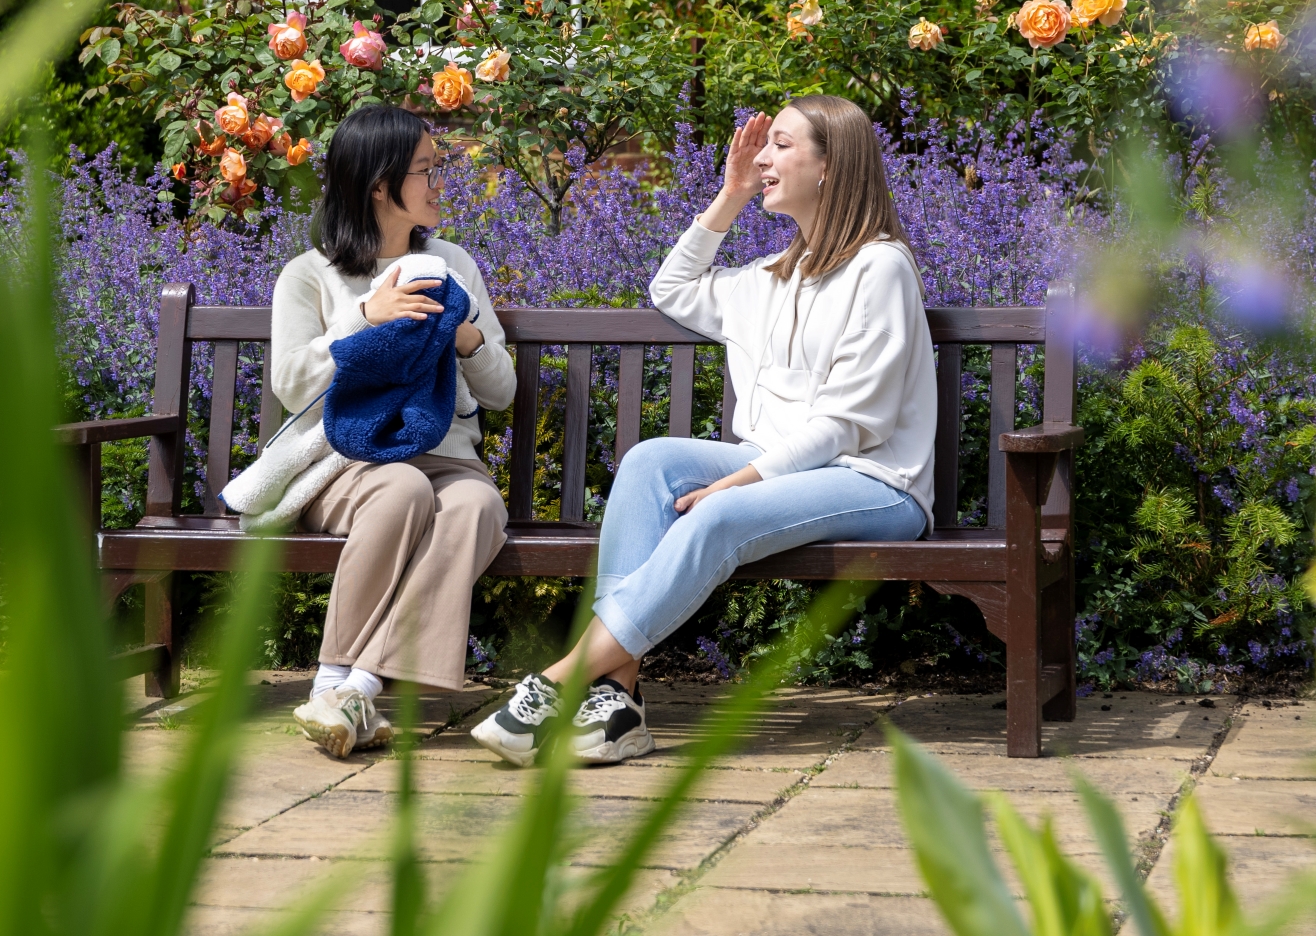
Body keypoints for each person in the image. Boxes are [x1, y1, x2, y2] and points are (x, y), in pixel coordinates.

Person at [471, 96, 934, 767]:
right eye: (764, 146)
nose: (763, 157)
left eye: (780, 145)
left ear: (831, 165)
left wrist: (740, 480)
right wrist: (731, 195)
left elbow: (849, 424)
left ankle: (555, 684)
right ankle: (617, 701)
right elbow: (673, 287)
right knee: (651, 461)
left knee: (718, 517)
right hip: (783, 469)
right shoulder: (773, 277)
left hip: (874, 482)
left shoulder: (880, 269)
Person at [227, 104, 514, 759]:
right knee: (402, 489)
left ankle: (354, 686)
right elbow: (293, 385)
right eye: (428, 170)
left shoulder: (454, 266)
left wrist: (468, 338)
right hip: (349, 464)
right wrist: (365, 314)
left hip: (448, 459)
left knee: (477, 505)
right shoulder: (310, 275)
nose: (442, 183)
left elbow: (503, 391)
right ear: (381, 184)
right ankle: (331, 676)